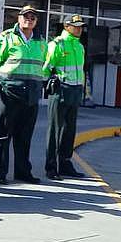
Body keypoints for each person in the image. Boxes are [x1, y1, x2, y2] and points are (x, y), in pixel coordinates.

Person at [0, 5, 48, 185]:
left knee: (25, 136)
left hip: (31, 95)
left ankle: (23, 172)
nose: (29, 19)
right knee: (4, 134)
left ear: (36, 21)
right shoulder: (6, 38)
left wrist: (40, 85)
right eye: (26, 16)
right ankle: (0, 172)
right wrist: (1, 81)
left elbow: (43, 66)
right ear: (19, 18)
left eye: (33, 17)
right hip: (10, 92)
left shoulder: (41, 42)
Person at [44, 15, 86, 181]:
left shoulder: (80, 46)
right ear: (66, 26)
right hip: (61, 90)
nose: (79, 29)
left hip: (75, 91)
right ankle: (51, 166)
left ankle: (66, 164)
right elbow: (46, 68)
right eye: (75, 26)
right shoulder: (57, 44)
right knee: (55, 129)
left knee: (69, 130)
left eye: (80, 26)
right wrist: (53, 82)